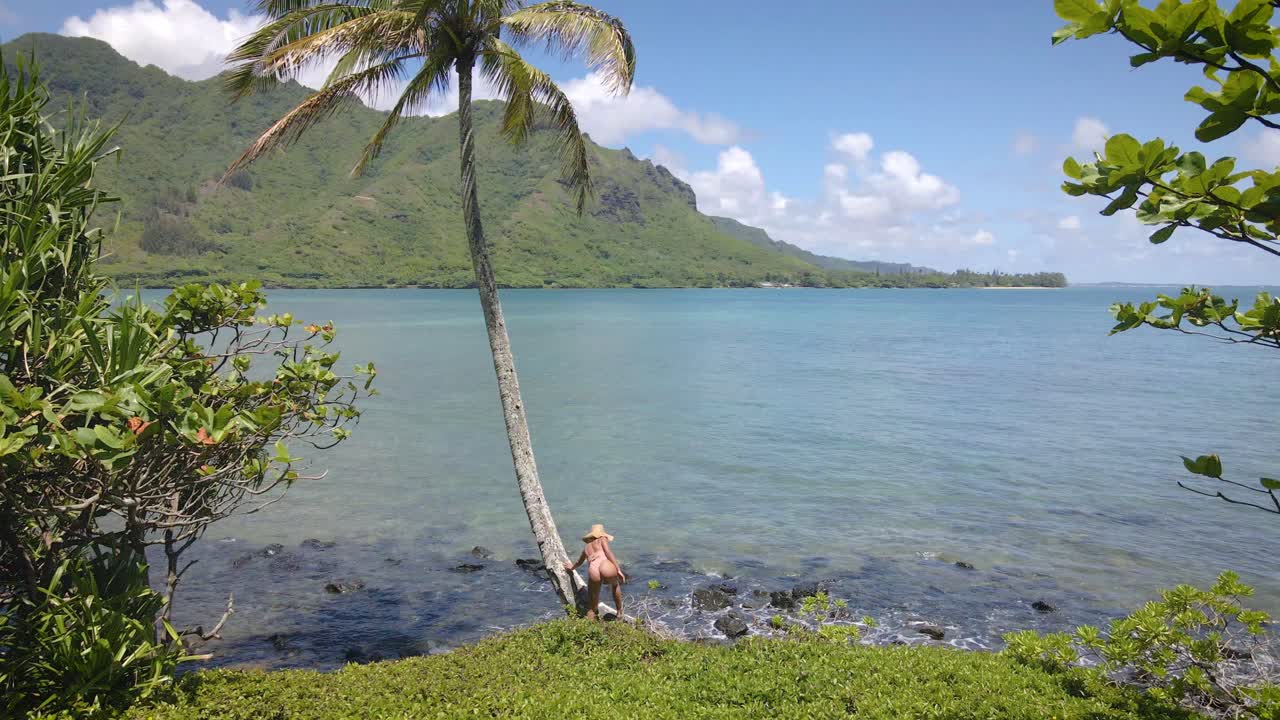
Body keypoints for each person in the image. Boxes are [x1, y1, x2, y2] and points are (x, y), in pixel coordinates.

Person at [564, 524, 626, 620]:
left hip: (593, 569)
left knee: (592, 606)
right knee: (615, 585)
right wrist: (618, 569)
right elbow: (608, 552)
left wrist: (571, 567)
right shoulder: (602, 539)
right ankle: (619, 612)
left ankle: (592, 626)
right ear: (601, 534)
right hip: (604, 565)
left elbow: (578, 562)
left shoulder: (586, 548)